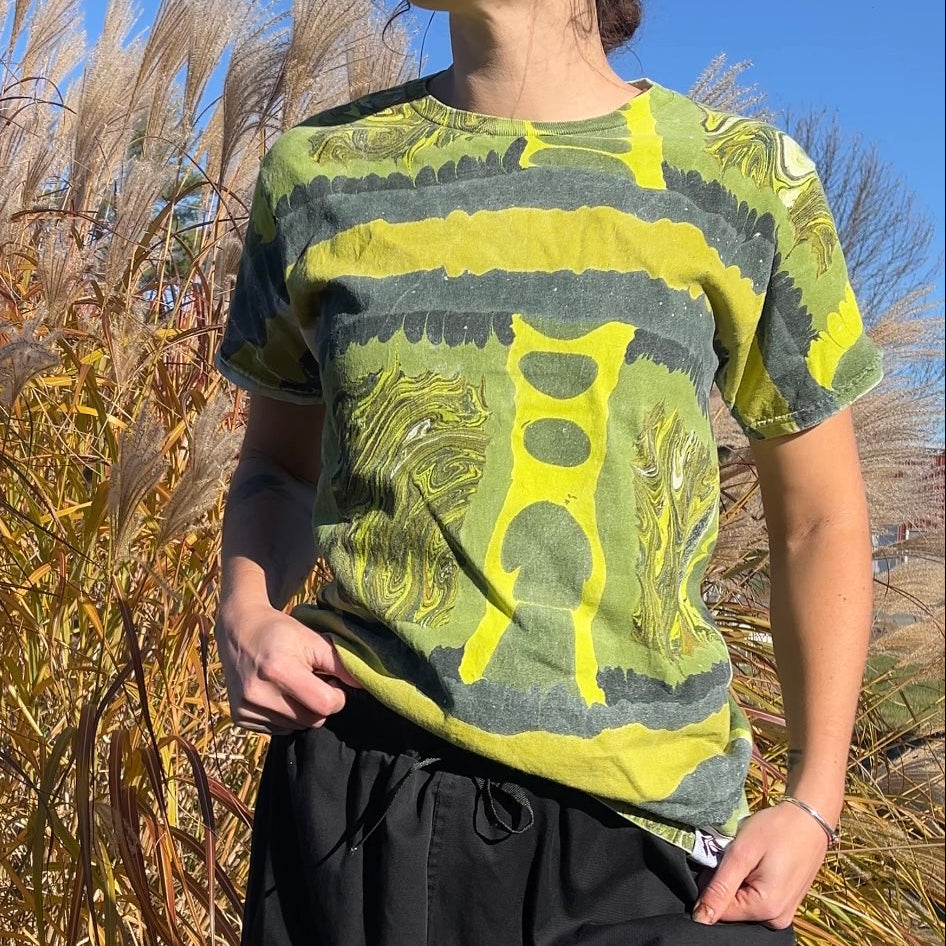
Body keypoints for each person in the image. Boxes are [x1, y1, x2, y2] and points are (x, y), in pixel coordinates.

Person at [212, 1, 884, 943]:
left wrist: (815, 801)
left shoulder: (746, 179)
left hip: (648, 846)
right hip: (359, 808)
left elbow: (820, 521)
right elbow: (276, 471)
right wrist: (244, 612)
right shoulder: (318, 172)